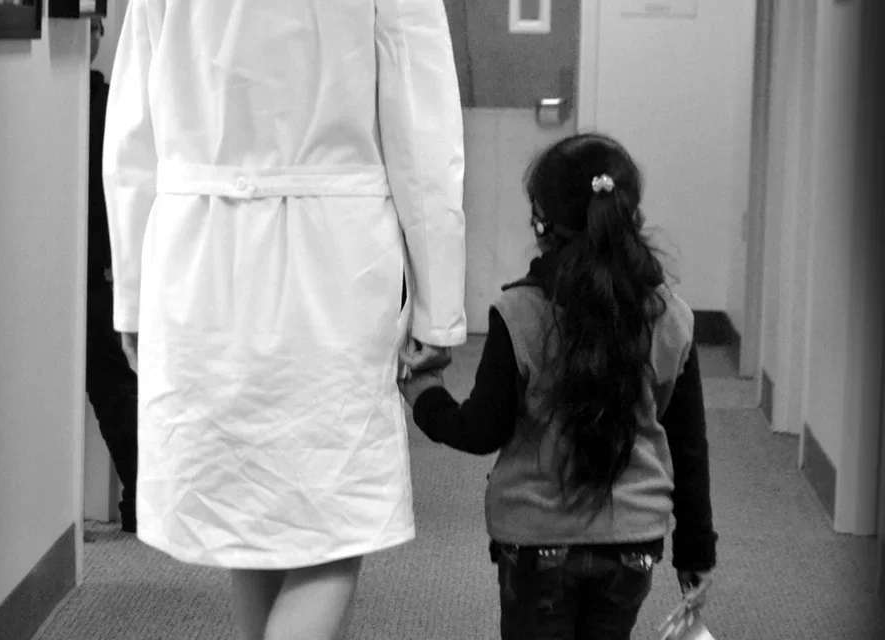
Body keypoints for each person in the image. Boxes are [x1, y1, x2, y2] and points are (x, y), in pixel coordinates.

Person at [101, 1, 465, 639]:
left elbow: (133, 127)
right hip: (332, 267)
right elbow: (422, 129)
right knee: (329, 524)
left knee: (251, 517)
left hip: (198, 258)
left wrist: (132, 292)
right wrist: (439, 305)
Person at [399, 133, 718, 640]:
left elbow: (480, 430)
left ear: (542, 222)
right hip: (632, 547)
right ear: (628, 214)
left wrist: (424, 391)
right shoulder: (670, 316)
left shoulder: (520, 313)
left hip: (534, 544)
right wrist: (697, 552)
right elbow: (688, 447)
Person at [85, 16, 138, 534]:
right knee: (117, 394)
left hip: (102, 272)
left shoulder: (110, 105)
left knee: (118, 395)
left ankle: (141, 500)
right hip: (82, 271)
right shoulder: (74, 109)